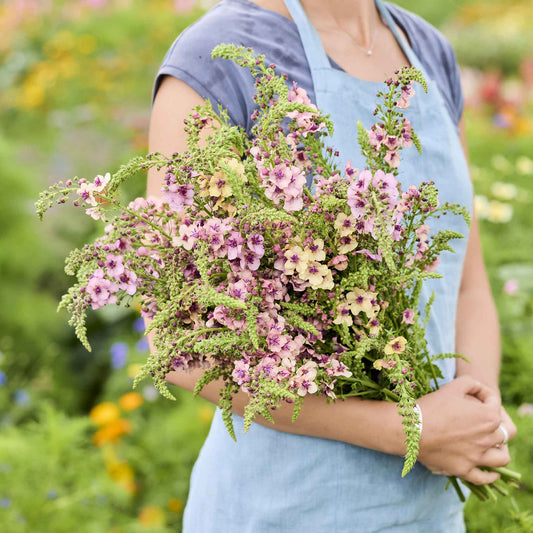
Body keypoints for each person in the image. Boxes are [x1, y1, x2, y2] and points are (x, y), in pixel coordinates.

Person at [146, 1, 517, 531]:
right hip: (284, 509)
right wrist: (408, 429)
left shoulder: (428, 51)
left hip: (428, 513)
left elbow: (465, 286)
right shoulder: (220, 58)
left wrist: (477, 410)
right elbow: (176, 340)